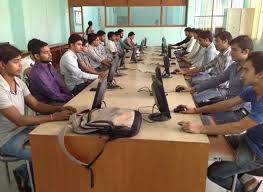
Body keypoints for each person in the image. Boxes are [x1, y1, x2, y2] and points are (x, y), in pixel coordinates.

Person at [178, 51, 263, 192]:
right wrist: (196, 110)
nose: (242, 75)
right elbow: (227, 104)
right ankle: (244, 177)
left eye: (247, 70)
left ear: (260, 74)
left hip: (258, 152)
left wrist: (200, 128)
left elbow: (238, 127)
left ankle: (245, 189)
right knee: (209, 145)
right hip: (248, 139)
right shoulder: (253, 90)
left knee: (214, 173)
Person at [0, 44, 76, 191]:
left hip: (22, 129)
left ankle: (25, 172)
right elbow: (19, 119)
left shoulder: (18, 82)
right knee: (47, 152)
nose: (20, 65)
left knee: (58, 137)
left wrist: (59, 108)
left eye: (19, 60)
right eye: (16, 62)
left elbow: (35, 104)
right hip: (6, 139)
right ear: (2, 64)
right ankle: (30, 178)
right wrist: (54, 116)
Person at [177, 35, 253, 124]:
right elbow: (218, 79)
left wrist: (200, 110)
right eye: (231, 49)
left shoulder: (251, 73)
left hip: (238, 110)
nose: (231, 52)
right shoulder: (234, 66)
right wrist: (193, 89)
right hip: (227, 103)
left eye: (234, 50)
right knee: (193, 110)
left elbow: (237, 102)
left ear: (245, 52)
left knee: (199, 120)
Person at [28, 39, 73, 104]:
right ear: (37, 56)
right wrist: (69, 98)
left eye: (49, 51)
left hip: (61, 98)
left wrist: (69, 95)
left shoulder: (48, 65)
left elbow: (61, 84)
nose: (50, 54)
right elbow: (53, 94)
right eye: (46, 52)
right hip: (51, 104)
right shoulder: (38, 73)